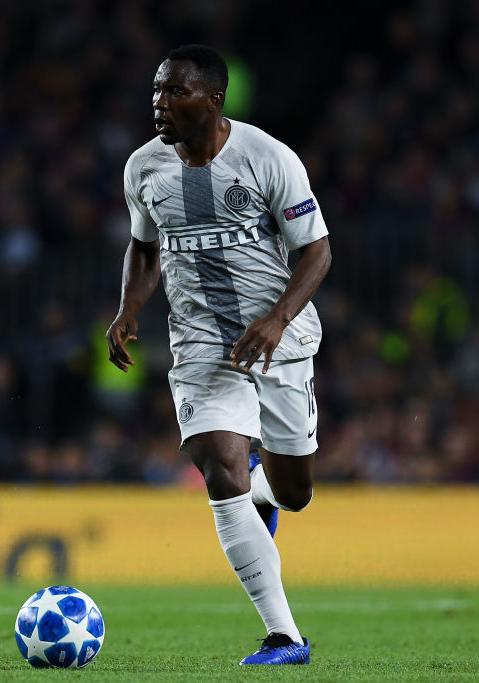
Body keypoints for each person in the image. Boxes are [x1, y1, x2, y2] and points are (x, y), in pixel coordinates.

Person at [106, 44, 331, 666]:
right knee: (219, 470)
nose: (159, 103)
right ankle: (285, 637)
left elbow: (316, 251)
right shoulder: (143, 168)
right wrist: (129, 308)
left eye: (174, 92)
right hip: (200, 341)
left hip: (279, 343)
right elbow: (144, 248)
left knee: (295, 494)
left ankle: (268, 494)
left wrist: (277, 319)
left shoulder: (268, 158)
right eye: (155, 91)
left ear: (212, 100)